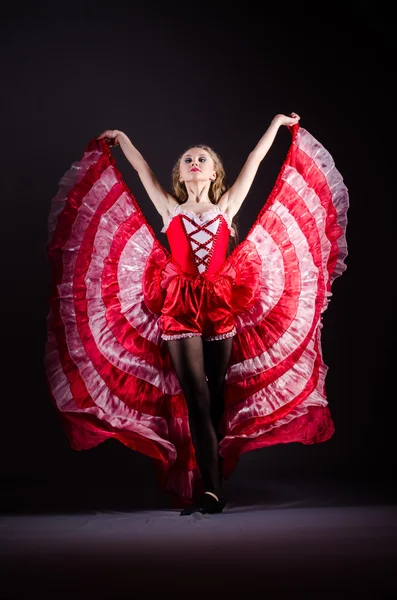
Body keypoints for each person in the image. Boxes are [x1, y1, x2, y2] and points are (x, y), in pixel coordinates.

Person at [45, 113, 349, 515]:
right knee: (199, 397)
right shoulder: (170, 209)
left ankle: (213, 465)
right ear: (180, 175)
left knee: (219, 394)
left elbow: (256, 163)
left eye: (201, 159)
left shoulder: (226, 206)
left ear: (214, 173)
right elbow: (141, 172)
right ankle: (212, 490)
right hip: (179, 307)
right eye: (187, 160)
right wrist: (122, 137)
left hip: (221, 305)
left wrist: (277, 126)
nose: (193, 163)